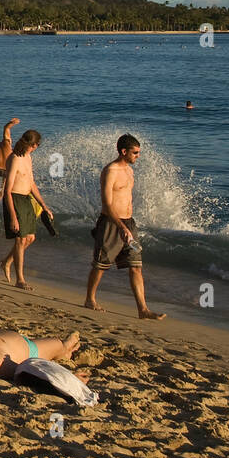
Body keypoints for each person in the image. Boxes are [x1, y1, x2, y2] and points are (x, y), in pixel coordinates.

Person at [85, 134, 165, 319]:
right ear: (123, 151)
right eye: (135, 153)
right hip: (111, 224)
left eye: (138, 152)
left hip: (129, 223)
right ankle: (90, 299)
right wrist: (120, 226)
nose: (138, 156)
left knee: (136, 266)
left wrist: (127, 225)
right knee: (101, 265)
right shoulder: (110, 170)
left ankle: (143, 309)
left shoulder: (129, 170)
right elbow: (106, 204)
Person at [0, 129, 53, 290]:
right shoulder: (15, 159)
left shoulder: (28, 157)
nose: (37, 147)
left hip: (26, 199)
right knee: (20, 239)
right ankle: (20, 279)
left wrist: (44, 205)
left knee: (30, 238)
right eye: (37, 144)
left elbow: (31, 184)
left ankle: (6, 261)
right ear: (33, 144)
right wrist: (13, 217)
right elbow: (7, 191)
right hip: (14, 199)